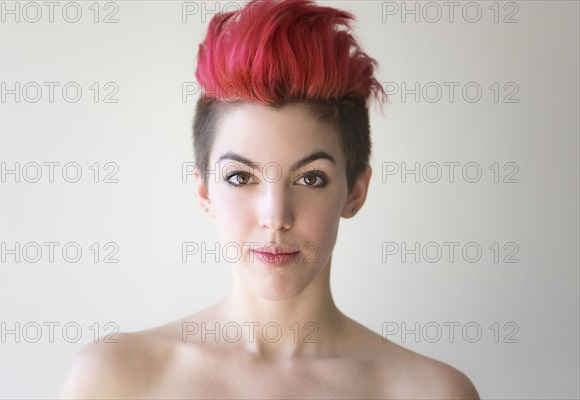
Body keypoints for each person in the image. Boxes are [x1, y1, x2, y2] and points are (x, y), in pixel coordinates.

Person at [61, 0, 480, 398]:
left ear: (355, 191)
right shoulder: (115, 378)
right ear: (205, 192)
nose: (276, 216)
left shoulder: (430, 392)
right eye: (241, 177)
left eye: (311, 178)